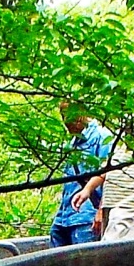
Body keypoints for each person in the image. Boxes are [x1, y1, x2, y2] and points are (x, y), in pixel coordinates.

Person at [50, 102, 111, 247]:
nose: (66, 122)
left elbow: (109, 175)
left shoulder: (102, 137)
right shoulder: (73, 143)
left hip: (87, 216)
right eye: (63, 116)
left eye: (69, 116)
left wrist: (102, 211)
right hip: (64, 216)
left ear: (81, 114)